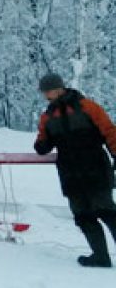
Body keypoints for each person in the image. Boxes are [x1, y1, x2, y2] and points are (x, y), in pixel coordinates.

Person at [34, 73, 116, 267]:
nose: (46, 95)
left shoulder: (88, 107)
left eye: (48, 91)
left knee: (106, 212)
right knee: (83, 216)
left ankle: (101, 256)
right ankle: (100, 256)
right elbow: (42, 145)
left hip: (94, 168)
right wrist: (42, 143)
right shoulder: (48, 116)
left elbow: (109, 131)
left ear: (58, 89)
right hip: (71, 172)